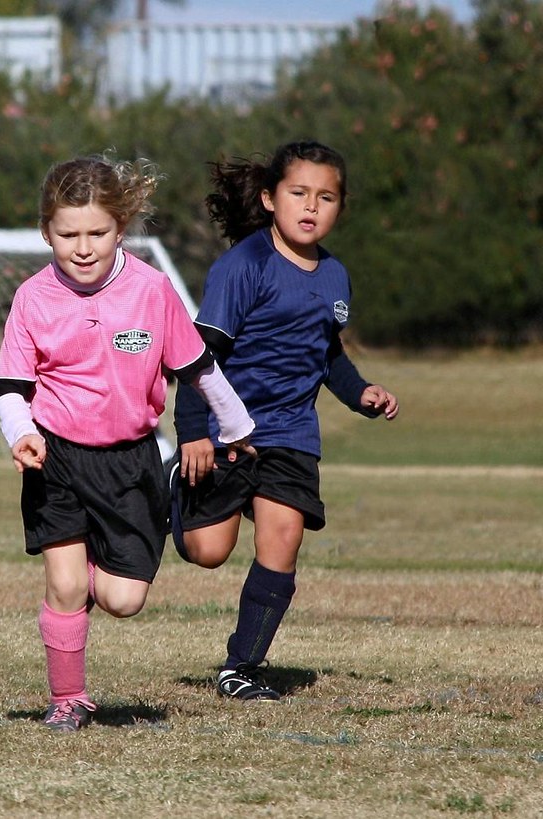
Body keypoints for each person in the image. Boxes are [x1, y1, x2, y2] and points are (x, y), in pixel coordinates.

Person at [0, 154, 256, 732]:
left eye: (97, 233)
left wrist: (237, 429)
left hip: (131, 462)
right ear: (47, 232)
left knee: (123, 599)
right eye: (67, 234)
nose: (83, 247)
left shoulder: (151, 290)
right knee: (63, 583)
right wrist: (23, 434)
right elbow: (10, 390)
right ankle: (69, 699)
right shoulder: (32, 298)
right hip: (56, 457)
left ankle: (88, 571)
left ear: (120, 228)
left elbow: (200, 368)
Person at [169, 140, 399, 702]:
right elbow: (199, 356)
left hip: (292, 434)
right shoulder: (244, 265)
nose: (311, 206)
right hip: (229, 430)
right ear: (271, 198)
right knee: (208, 552)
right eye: (299, 193)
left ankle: (241, 667)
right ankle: (175, 482)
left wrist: (358, 391)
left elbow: (326, 355)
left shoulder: (335, 275)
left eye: (326, 197)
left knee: (283, 537)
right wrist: (194, 432)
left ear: (340, 207)